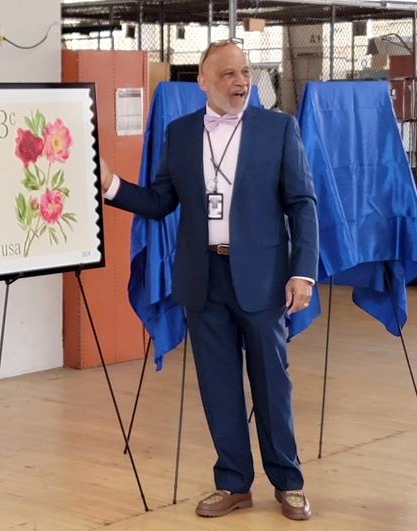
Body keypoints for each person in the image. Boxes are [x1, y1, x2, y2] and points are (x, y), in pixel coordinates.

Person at [100, 39, 318, 521]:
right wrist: (110, 185)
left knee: (271, 385)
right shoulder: (179, 134)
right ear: (202, 82)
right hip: (202, 277)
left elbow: (302, 204)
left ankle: (289, 482)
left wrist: (303, 272)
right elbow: (160, 202)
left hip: (263, 277)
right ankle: (233, 483)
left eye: (245, 72)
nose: (240, 82)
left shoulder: (278, 129)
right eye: (228, 75)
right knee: (217, 385)